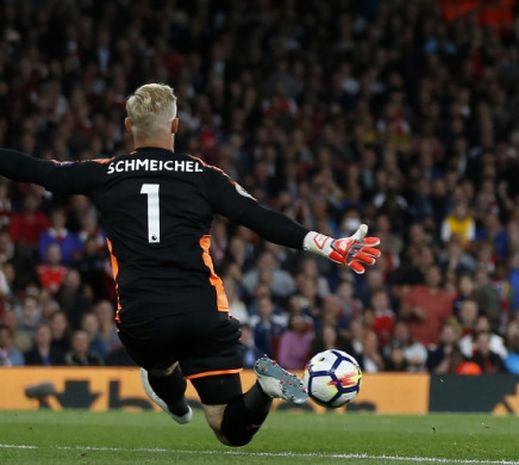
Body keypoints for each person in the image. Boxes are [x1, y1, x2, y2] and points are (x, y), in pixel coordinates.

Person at [0, 83, 381, 448]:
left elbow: (36, 169)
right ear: (176, 126)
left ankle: (176, 401)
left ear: (129, 127)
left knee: (158, 365)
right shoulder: (203, 175)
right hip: (203, 313)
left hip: (142, 317)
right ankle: (263, 389)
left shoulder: (105, 172)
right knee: (230, 430)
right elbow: (260, 218)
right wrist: (328, 244)